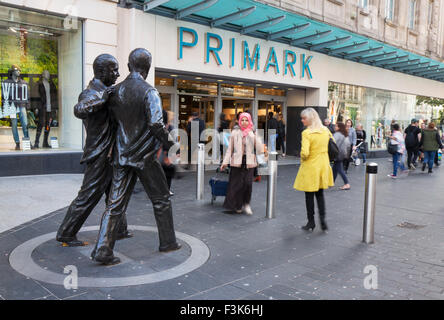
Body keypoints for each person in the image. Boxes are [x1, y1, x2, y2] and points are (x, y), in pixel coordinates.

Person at [91, 48, 181, 265]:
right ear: (147, 68)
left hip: (122, 156)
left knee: (115, 204)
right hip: (145, 158)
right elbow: (156, 124)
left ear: (129, 66)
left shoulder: (115, 91)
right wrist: (171, 144)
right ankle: (168, 242)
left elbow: (111, 124)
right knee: (161, 200)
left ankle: (103, 248)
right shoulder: (150, 92)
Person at [56, 54, 132, 247]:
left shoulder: (108, 91)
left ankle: (120, 230)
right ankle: (66, 233)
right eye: (114, 69)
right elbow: (79, 109)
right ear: (101, 72)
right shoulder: (90, 93)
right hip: (99, 154)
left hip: (111, 152)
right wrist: (103, 99)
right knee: (89, 195)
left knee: (115, 193)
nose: (118, 73)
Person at [294, 108, 334, 232]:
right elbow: (333, 143)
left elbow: (305, 153)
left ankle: (311, 222)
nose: (302, 120)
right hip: (323, 164)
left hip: (311, 166)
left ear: (310, 119)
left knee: (309, 196)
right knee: (320, 195)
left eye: (304, 118)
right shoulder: (325, 130)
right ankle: (323, 221)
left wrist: (301, 155)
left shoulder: (307, 133)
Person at [221, 112, 265, 215]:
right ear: (239, 121)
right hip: (237, 162)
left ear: (250, 121)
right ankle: (238, 205)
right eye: (242, 120)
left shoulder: (253, 132)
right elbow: (229, 149)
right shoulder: (235, 132)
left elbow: (259, 149)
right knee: (237, 185)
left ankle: (246, 204)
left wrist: (254, 136)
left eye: (246, 120)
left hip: (249, 162)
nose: (244, 122)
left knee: (248, 184)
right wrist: (225, 162)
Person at [158, 109, 176, 189]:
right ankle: (165, 190)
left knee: (165, 173)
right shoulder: (167, 127)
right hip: (165, 154)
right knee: (165, 173)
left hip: (165, 154)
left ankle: (165, 190)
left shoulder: (167, 127)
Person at [333, 122, 351, 190]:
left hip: (337, 154)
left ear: (339, 127)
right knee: (335, 168)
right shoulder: (344, 134)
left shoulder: (337, 134)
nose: (335, 127)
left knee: (339, 169)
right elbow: (348, 145)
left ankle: (347, 183)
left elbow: (333, 142)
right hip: (342, 154)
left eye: (336, 126)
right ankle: (331, 182)